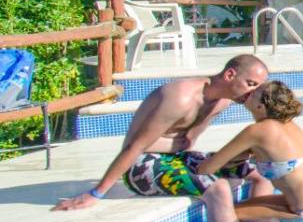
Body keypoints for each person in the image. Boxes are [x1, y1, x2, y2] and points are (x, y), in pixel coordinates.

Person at [52, 54, 269, 211]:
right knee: (217, 186)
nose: (253, 92)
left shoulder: (222, 102)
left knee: (261, 175)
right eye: (250, 84)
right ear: (230, 75)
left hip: (176, 158)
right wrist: (96, 193)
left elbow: (187, 143)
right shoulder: (181, 98)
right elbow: (135, 146)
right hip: (142, 164)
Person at [197, 80, 303, 222]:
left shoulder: (258, 131)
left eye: (252, 93)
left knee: (224, 215)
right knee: (241, 207)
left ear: (260, 107)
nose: (248, 92)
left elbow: (206, 168)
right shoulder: (289, 125)